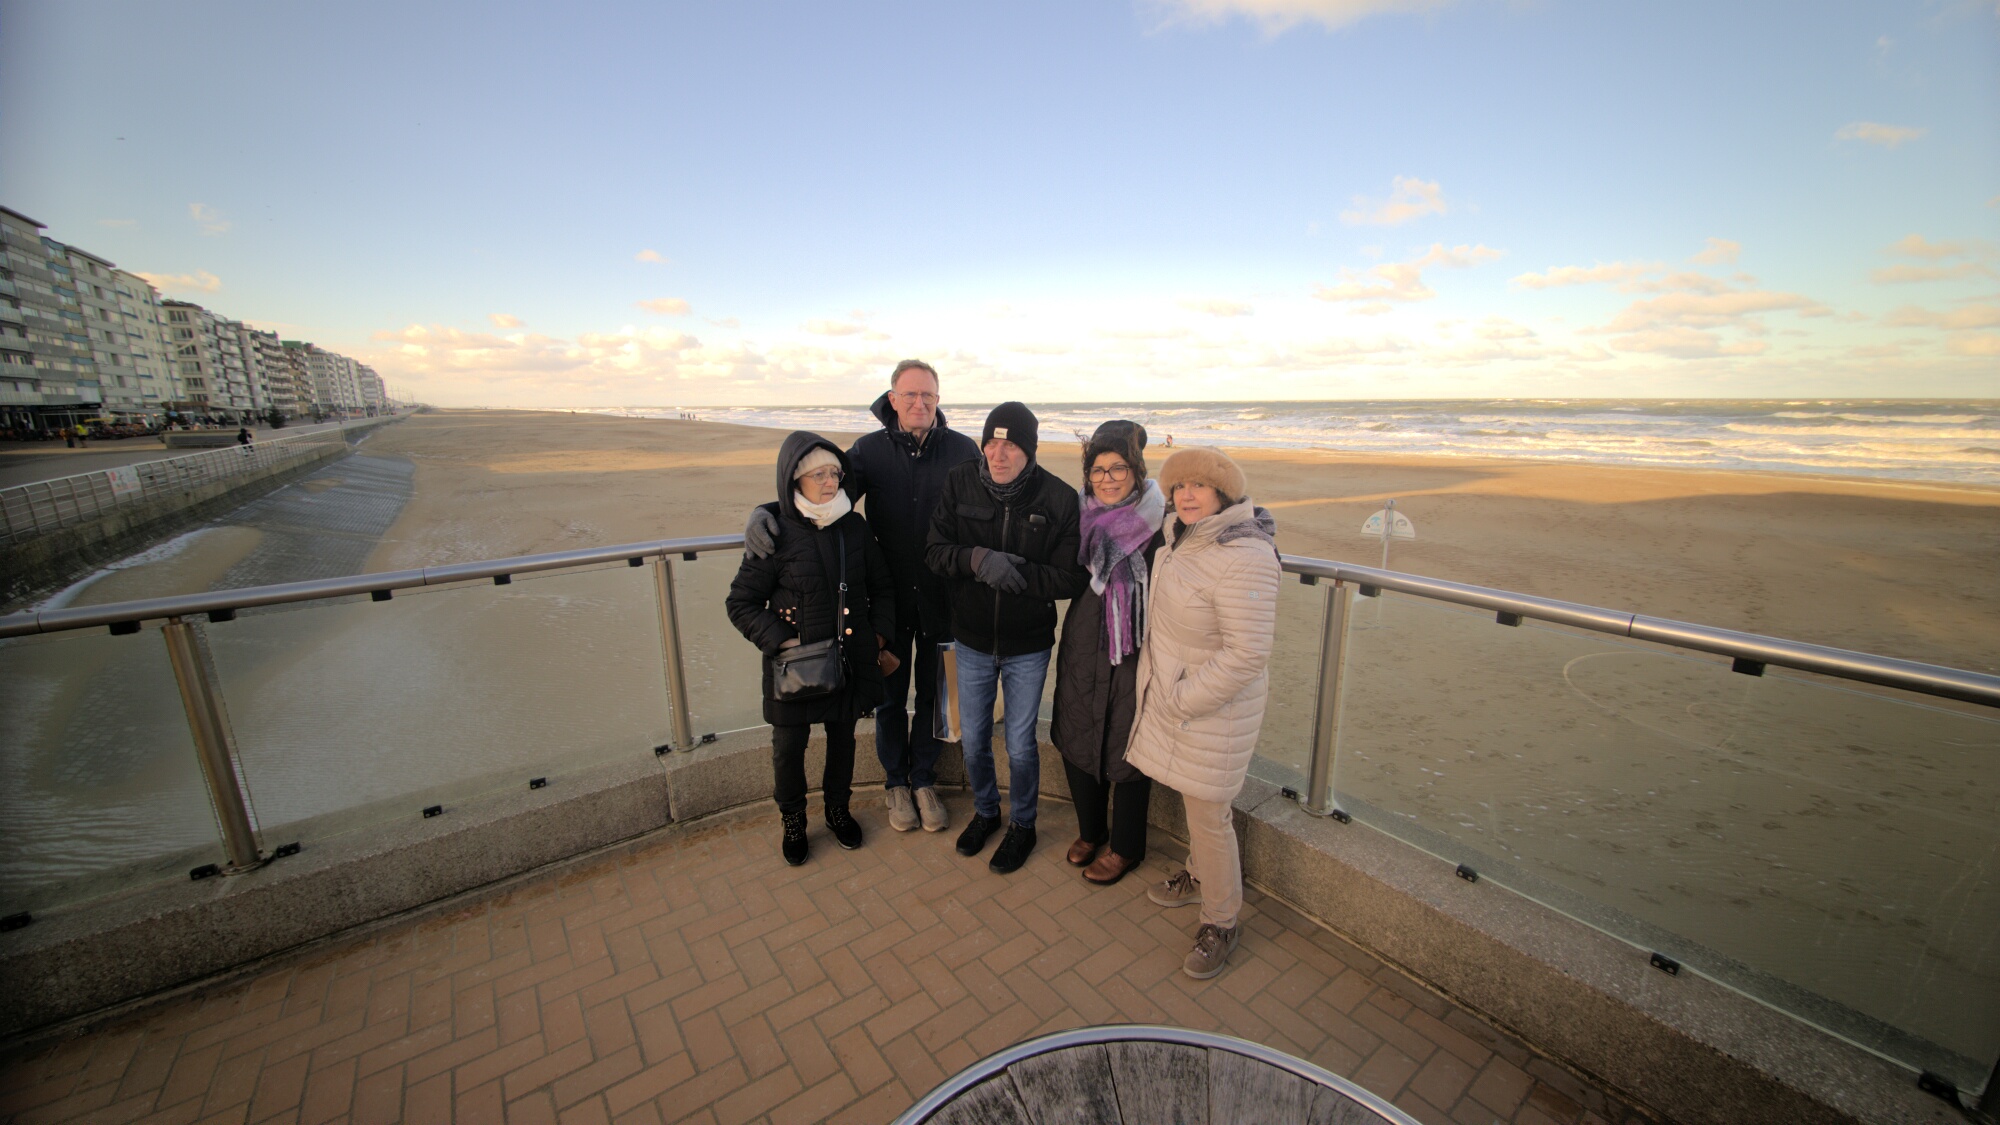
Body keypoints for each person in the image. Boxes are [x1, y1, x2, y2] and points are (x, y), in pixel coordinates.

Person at [744, 360, 979, 835]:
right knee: (890, 696)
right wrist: (766, 510)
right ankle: (896, 783)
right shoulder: (869, 451)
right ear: (892, 399)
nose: (919, 403)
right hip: (887, 604)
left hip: (946, 601)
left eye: (928, 395)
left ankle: (924, 779)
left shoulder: (962, 450)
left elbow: (986, 505)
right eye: (910, 395)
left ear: (939, 399)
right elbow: (819, 493)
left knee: (937, 695)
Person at [1124, 447, 1281, 979]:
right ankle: (1198, 876)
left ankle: (1222, 920)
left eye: (1198, 486)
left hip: (1212, 708)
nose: (1186, 495)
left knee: (1210, 816)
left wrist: (1182, 698)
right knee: (1197, 805)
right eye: (1179, 486)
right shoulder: (1181, 537)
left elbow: (1248, 654)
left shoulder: (1246, 554)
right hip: (1183, 700)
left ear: (1223, 493)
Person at [925, 402, 1086, 873]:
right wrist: (977, 560)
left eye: (1010, 445)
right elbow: (935, 551)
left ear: (1029, 450)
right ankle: (986, 812)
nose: (998, 455)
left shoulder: (1059, 498)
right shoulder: (959, 482)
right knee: (973, 738)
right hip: (969, 640)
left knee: (1019, 743)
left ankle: (1023, 824)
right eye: (991, 444)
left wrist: (1017, 575)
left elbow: (1070, 577)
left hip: (1028, 646)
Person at [726, 432, 897, 866]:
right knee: (788, 750)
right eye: (818, 474)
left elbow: (882, 587)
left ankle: (838, 810)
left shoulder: (854, 527)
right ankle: (794, 820)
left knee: (843, 742)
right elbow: (741, 603)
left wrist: (878, 635)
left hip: (847, 663)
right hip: (795, 668)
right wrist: (783, 642)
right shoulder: (774, 533)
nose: (829, 482)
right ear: (794, 479)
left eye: (834, 473)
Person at [1051, 420, 1163, 886]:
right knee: (1078, 729)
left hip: (1136, 646)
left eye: (1118, 468)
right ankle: (1091, 830)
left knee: (1130, 741)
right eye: (1098, 470)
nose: (1108, 478)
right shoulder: (1078, 516)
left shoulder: (1161, 520)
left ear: (1136, 470)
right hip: (1084, 641)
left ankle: (1127, 847)